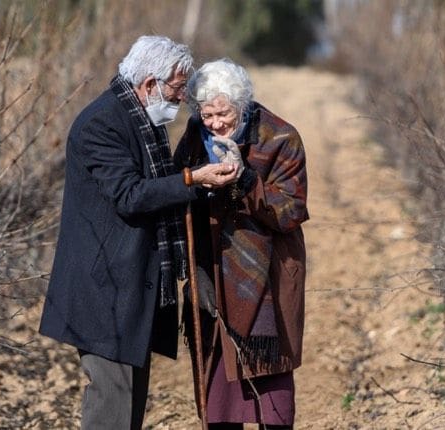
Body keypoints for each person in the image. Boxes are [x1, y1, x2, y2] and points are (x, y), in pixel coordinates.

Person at [39, 36, 239, 429]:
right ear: (150, 84)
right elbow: (129, 195)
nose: (182, 99)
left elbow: (161, 185)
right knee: (112, 406)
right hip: (106, 293)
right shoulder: (102, 123)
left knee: (129, 406)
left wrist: (201, 183)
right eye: (178, 89)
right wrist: (192, 178)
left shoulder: (142, 118)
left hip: (133, 289)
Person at [174, 58, 309, 429]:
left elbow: (290, 212)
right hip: (212, 272)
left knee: (269, 378)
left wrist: (245, 180)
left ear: (242, 105)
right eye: (207, 114)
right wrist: (193, 182)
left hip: (266, 277)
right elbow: (178, 184)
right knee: (217, 386)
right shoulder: (193, 136)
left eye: (223, 114)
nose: (215, 124)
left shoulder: (282, 137)